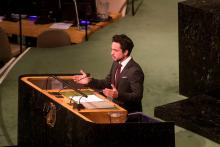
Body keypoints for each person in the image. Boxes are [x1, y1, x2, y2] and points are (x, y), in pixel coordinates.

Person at [73, 34, 144, 113]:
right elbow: (107, 83)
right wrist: (90, 81)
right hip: (115, 110)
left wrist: (118, 95)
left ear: (126, 52)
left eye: (115, 50)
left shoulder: (135, 71)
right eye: (112, 49)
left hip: (129, 115)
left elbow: (137, 96)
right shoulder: (116, 63)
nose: (111, 53)